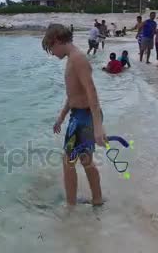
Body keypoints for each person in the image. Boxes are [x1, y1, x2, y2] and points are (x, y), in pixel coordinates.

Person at [42, 23, 106, 206]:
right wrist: (62, 117)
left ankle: (70, 206)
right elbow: (74, 94)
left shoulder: (78, 59)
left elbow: (91, 92)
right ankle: (97, 200)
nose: (52, 54)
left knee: (68, 162)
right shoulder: (73, 58)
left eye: (50, 48)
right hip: (78, 116)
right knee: (85, 160)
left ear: (56, 41)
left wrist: (98, 127)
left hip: (83, 118)